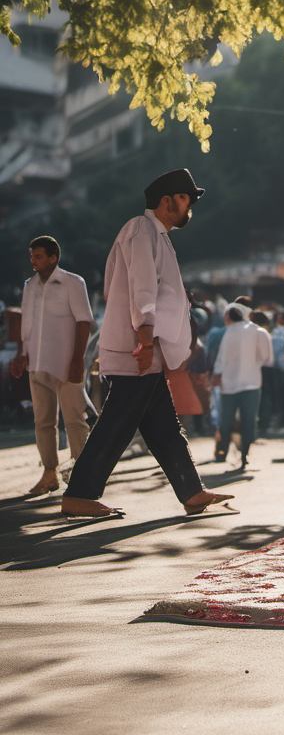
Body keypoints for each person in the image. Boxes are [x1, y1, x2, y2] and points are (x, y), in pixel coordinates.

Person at [61, 168, 233, 518]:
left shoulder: (158, 235)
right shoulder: (141, 229)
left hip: (145, 348)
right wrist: (145, 340)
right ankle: (79, 494)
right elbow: (142, 287)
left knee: (164, 427)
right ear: (167, 201)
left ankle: (191, 491)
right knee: (117, 422)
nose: (190, 205)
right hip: (136, 348)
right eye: (185, 198)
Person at [11, 236, 93, 495]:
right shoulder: (29, 286)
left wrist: (78, 360)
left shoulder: (73, 282)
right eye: (32, 256)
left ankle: (83, 477)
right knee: (43, 422)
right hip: (36, 362)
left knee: (74, 420)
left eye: (38, 256)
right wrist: (21, 354)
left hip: (66, 363)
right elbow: (26, 324)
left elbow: (84, 322)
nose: (33, 261)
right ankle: (50, 474)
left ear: (53, 257)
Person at [213, 305, 273, 468]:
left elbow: (221, 357)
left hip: (229, 384)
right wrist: (253, 364)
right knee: (249, 421)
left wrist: (217, 375)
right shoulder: (258, 331)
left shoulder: (229, 332)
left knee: (226, 420)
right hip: (251, 382)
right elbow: (266, 357)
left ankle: (223, 451)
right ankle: (245, 455)